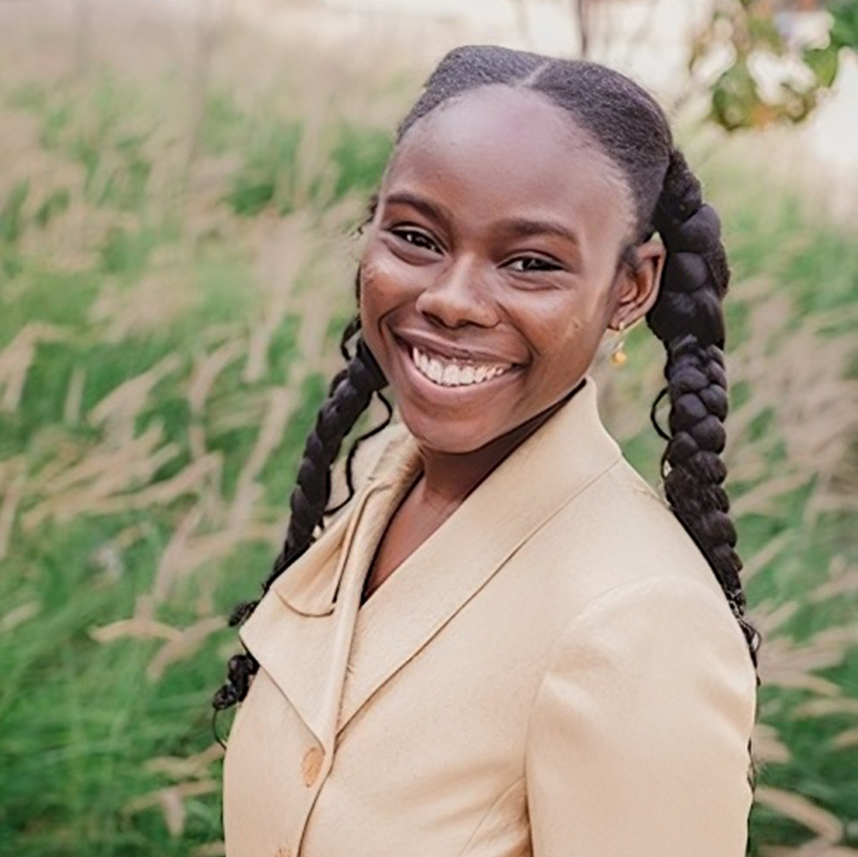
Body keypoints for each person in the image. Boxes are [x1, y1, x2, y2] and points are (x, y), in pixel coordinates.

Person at [213, 45, 761, 857]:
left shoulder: (641, 623)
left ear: (631, 286)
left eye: (530, 263)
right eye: (417, 237)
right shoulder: (379, 478)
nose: (450, 299)